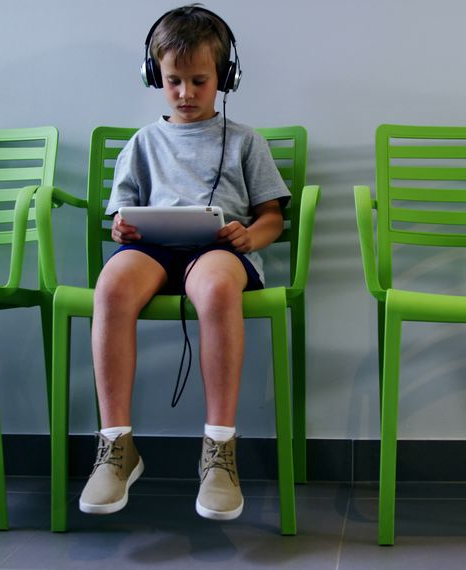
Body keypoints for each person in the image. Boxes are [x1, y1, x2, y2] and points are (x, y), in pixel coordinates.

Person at [78, 4, 290, 521]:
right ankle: (116, 446)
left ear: (225, 78)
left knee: (218, 288)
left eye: (199, 81)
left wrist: (247, 236)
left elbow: (273, 220)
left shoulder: (245, 142)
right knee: (111, 286)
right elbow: (120, 218)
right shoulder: (143, 143)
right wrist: (121, 229)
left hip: (219, 249)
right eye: (173, 80)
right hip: (151, 249)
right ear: (155, 76)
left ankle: (219, 451)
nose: (186, 93)